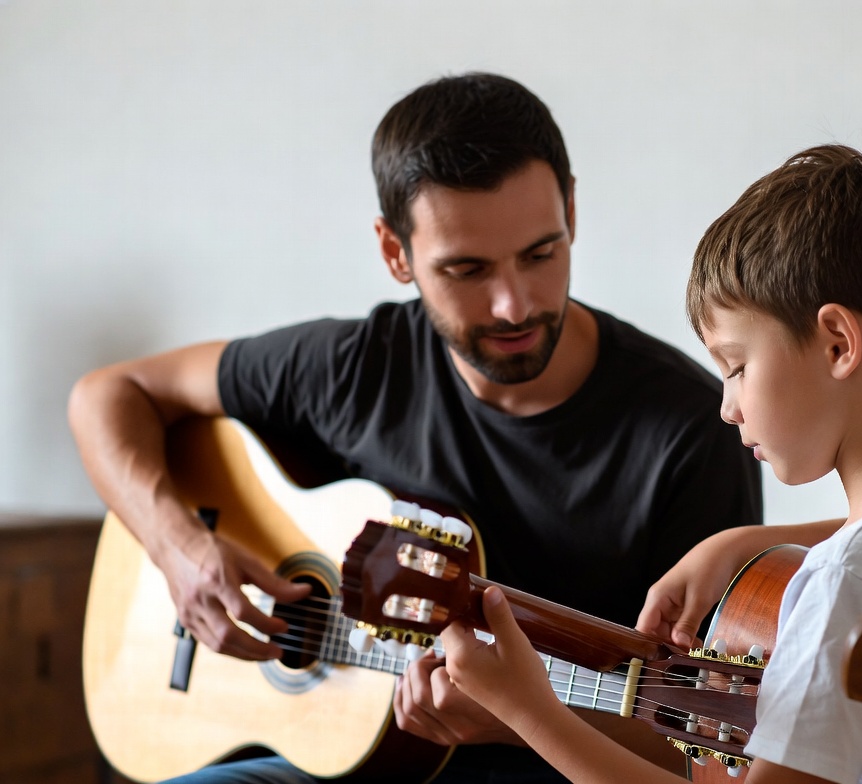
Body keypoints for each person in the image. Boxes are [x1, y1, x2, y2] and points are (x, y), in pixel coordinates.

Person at [67, 73, 765, 784]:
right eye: (467, 269)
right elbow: (107, 395)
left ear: (572, 212)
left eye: (540, 254)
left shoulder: (695, 428)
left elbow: (715, 741)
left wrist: (522, 719)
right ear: (394, 252)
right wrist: (180, 548)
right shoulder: (354, 367)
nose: (514, 304)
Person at [439, 143, 862, 784]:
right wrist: (742, 542)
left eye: (735, 367)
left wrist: (528, 711)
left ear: (838, 344)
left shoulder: (847, 589)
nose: (727, 407)